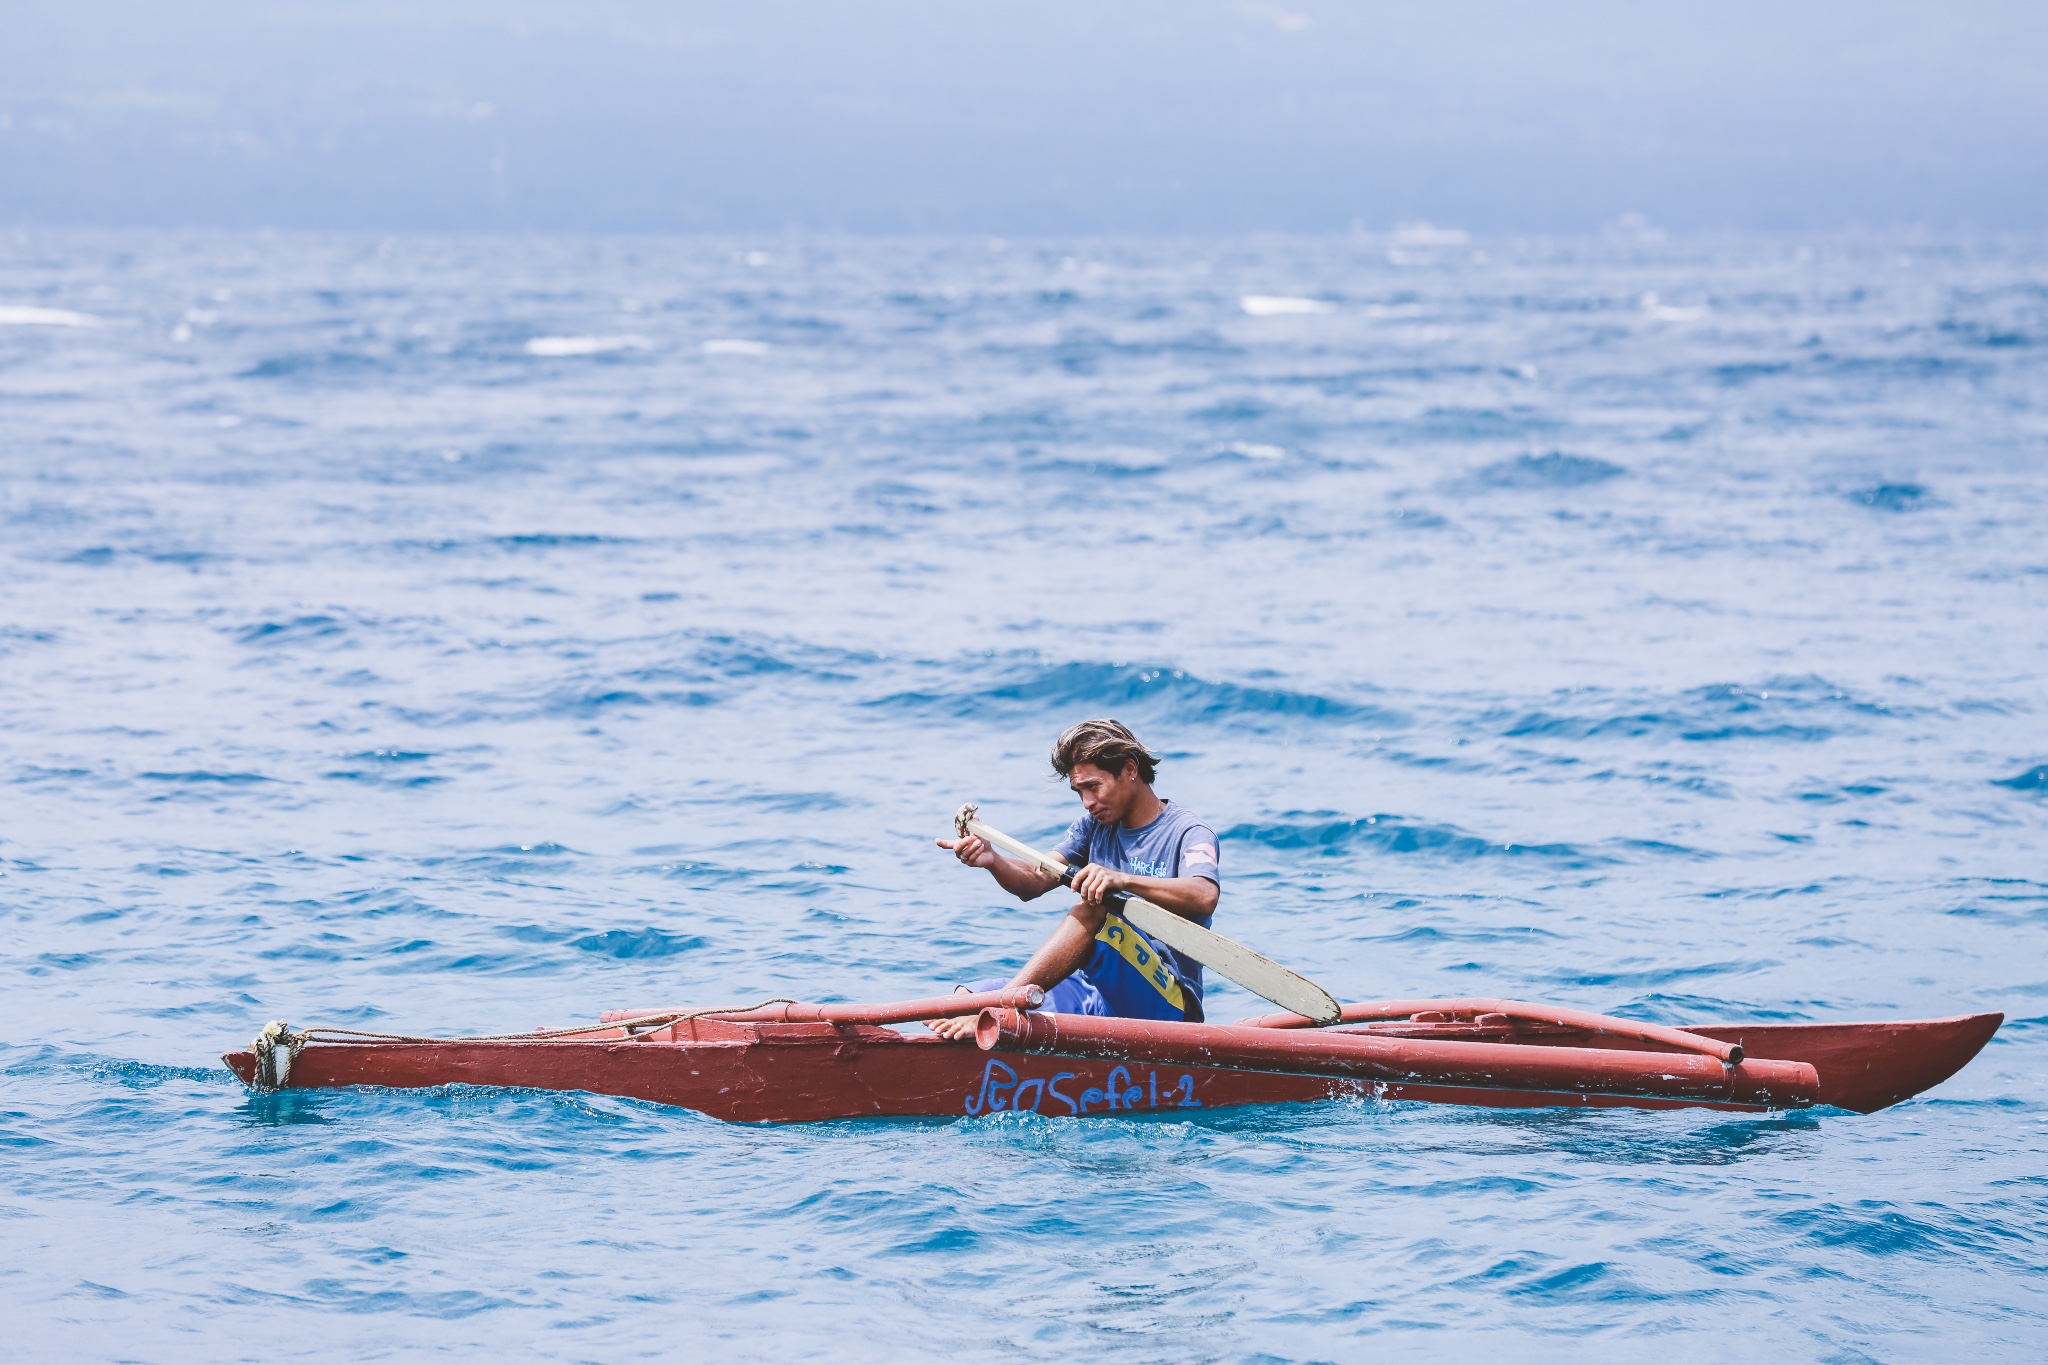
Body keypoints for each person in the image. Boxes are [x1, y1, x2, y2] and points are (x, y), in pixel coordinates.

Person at [928, 718, 1221, 1039]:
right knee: (965, 1002)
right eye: (1078, 791)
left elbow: (1204, 894)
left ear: (1129, 769)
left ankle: (1004, 1007)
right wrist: (993, 860)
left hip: (1169, 1005)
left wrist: (1121, 882)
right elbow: (1036, 880)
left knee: (1093, 909)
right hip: (1099, 993)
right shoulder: (1092, 827)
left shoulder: (1188, 831)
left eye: (1093, 786)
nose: (1087, 802)